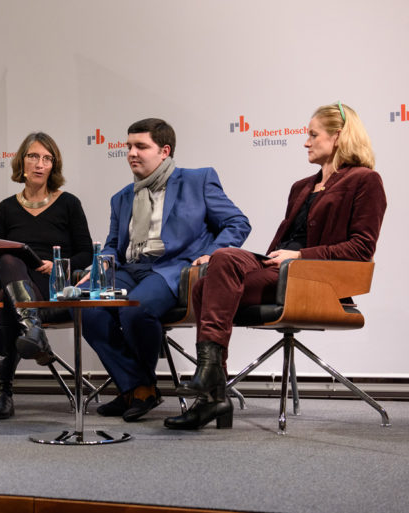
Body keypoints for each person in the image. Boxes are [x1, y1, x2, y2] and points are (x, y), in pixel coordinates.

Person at [165, 102, 388, 430]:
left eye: (313, 135)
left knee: (205, 288)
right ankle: (212, 385)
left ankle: (213, 393)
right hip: (278, 267)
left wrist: (301, 257)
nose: (306, 142)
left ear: (339, 136)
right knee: (221, 259)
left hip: (312, 279)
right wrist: (278, 258)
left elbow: (361, 248)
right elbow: (279, 247)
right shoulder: (301, 187)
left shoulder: (365, 180)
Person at [81, 118, 251, 422]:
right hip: (130, 267)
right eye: (128, 146)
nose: (131, 153)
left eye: (141, 146)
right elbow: (113, 245)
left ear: (164, 151)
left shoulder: (198, 180)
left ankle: (136, 389)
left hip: (174, 268)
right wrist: (100, 265)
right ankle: (137, 387)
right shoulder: (121, 197)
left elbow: (237, 222)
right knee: (86, 306)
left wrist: (212, 254)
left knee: (135, 309)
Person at [0, 132, 92, 420]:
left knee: (7, 298)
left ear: (54, 165)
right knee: (8, 261)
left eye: (47, 158)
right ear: (22, 162)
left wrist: (58, 265)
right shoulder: (7, 206)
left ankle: (2, 392)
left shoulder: (69, 203)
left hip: (48, 283)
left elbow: (86, 254)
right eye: (33, 156)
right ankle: (33, 330)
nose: (40, 164)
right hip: (11, 275)